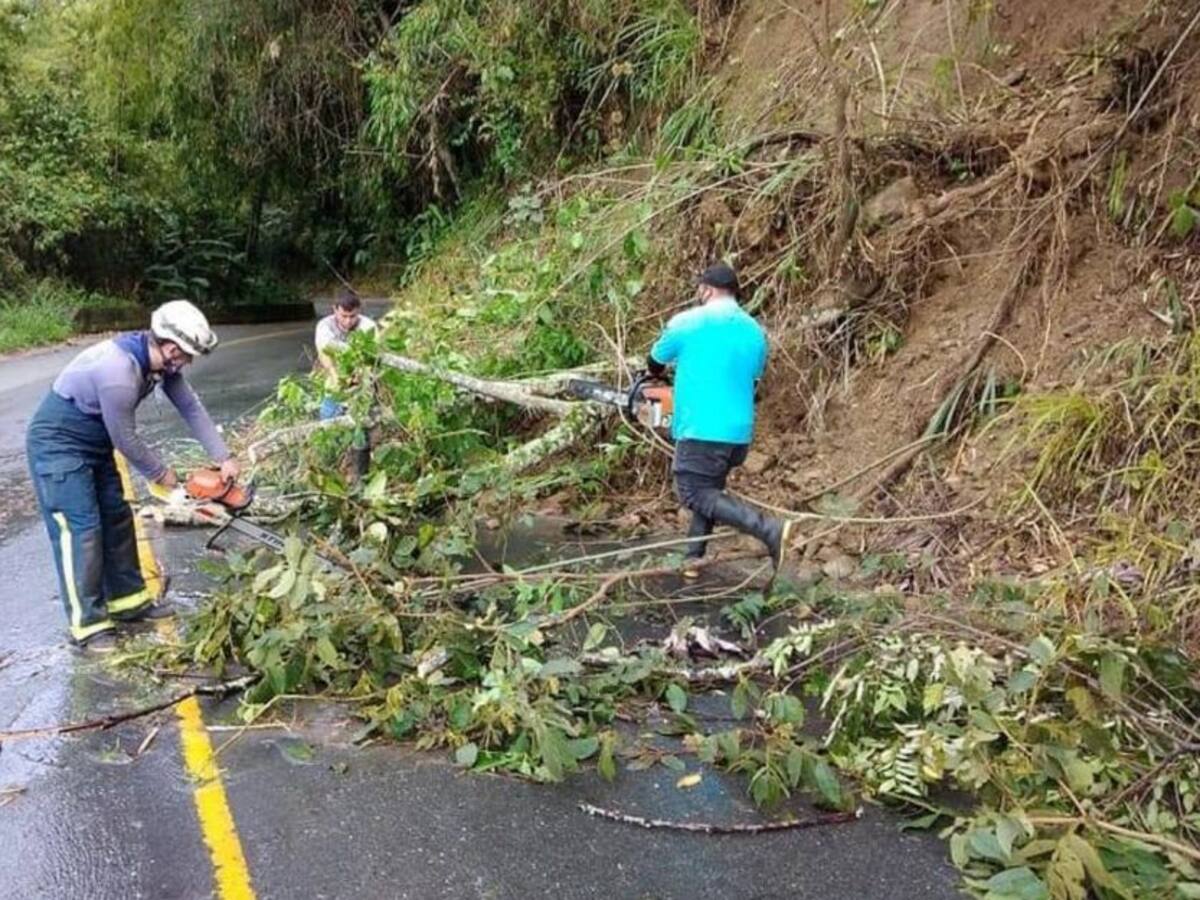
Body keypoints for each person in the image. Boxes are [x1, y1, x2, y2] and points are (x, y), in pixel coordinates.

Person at [25, 300, 240, 651]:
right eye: (188, 355)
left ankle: (128, 603)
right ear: (171, 348)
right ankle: (87, 625)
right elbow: (125, 437)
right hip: (58, 446)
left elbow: (190, 406)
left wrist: (223, 457)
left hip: (95, 444)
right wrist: (162, 474)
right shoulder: (118, 373)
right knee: (82, 530)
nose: (188, 362)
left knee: (116, 517)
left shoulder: (160, 366)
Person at [646, 263, 792, 578]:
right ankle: (692, 559)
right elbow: (754, 378)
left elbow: (654, 362)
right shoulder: (755, 331)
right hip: (738, 433)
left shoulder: (686, 322)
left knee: (694, 492)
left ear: (707, 290)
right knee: (709, 489)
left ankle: (768, 529)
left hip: (702, 429)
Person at [314, 288, 376, 419]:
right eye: (344, 316)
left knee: (360, 426)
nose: (348, 321)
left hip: (362, 384)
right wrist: (335, 376)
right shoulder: (325, 326)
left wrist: (359, 375)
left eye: (352, 316)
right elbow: (324, 351)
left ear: (358, 310)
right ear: (335, 310)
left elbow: (371, 357)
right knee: (328, 421)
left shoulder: (369, 327)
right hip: (335, 381)